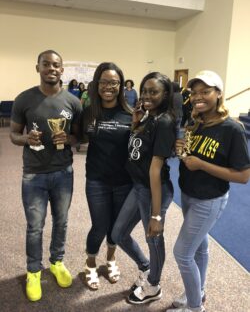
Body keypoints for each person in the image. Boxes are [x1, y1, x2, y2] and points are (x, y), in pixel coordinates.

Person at [166, 70, 250, 312]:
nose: (197, 97)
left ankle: (195, 308)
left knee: (182, 253)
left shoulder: (231, 128)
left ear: (219, 94)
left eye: (205, 91)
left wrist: (202, 164)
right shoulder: (196, 122)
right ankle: (198, 292)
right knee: (200, 247)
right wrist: (181, 150)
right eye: (194, 93)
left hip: (210, 199)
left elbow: (243, 176)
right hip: (189, 194)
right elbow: (192, 156)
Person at [10, 50, 82, 302]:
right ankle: (33, 271)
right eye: (46, 64)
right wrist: (26, 139)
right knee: (35, 227)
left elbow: (78, 137)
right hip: (34, 174)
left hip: (64, 172)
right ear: (38, 67)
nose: (52, 68)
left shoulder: (73, 102)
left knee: (61, 222)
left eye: (56, 65)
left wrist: (69, 139)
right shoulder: (24, 99)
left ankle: (57, 262)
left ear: (63, 70)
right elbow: (13, 135)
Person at [112, 72, 176, 304]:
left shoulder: (165, 121)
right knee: (118, 234)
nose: (147, 95)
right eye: (145, 90)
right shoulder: (148, 117)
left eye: (154, 91)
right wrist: (135, 123)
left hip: (153, 188)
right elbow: (136, 149)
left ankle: (154, 285)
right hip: (139, 186)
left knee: (154, 238)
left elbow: (155, 168)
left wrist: (156, 215)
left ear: (165, 94)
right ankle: (146, 267)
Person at [82, 62, 133, 290]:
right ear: (97, 84)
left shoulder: (131, 114)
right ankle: (90, 262)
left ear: (121, 85)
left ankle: (111, 259)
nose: (108, 87)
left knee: (115, 228)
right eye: (104, 82)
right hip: (97, 180)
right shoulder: (90, 111)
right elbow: (77, 138)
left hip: (123, 182)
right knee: (99, 226)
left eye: (113, 82)